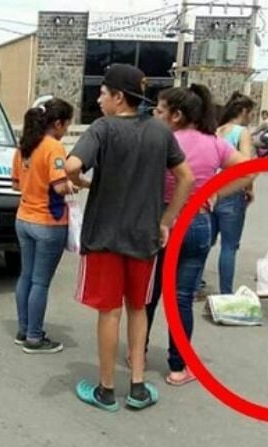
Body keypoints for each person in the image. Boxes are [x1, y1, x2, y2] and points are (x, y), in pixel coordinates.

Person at [65, 64, 195, 412]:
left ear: (118, 97)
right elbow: (186, 177)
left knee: (109, 313)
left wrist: (77, 182)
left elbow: (71, 165)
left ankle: (106, 390)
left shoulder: (102, 128)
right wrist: (166, 219)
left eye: (103, 93)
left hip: (105, 237)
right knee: (138, 309)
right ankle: (137, 386)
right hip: (145, 237)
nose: (98, 98)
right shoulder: (160, 131)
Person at [145, 84, 256, 386]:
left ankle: (137, 355)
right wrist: (216, 193)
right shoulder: (215, 143)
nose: (156, 114)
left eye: (160, 110)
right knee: (181, 298)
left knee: (150, 294)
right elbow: (248, 171)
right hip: (197, 223)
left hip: (161, 222)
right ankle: (179, 367)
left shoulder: (162, 141)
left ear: (177, 115)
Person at [11, 98, 85, 354]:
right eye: (66, 125)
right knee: (41, 282)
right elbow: (58, 185)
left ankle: (23, 329)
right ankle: (34, 337)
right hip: (47, 223)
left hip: (24, 218)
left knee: (26, 276)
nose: (66, 130)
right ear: (57, 123)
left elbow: (16, 184)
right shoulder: (53, 147)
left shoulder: (25, 147)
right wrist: (72, 186)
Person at [210, 92, 256, 294]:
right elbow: (245, 165)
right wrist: (249, 188)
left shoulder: (217, 131)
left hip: (211, 191)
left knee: (206, 243)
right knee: (229, 246)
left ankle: (192, 286)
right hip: (232, 191)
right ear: (243, 111)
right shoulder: (241, 132)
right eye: (250, 113)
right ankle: (226, 293)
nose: (251, 118)